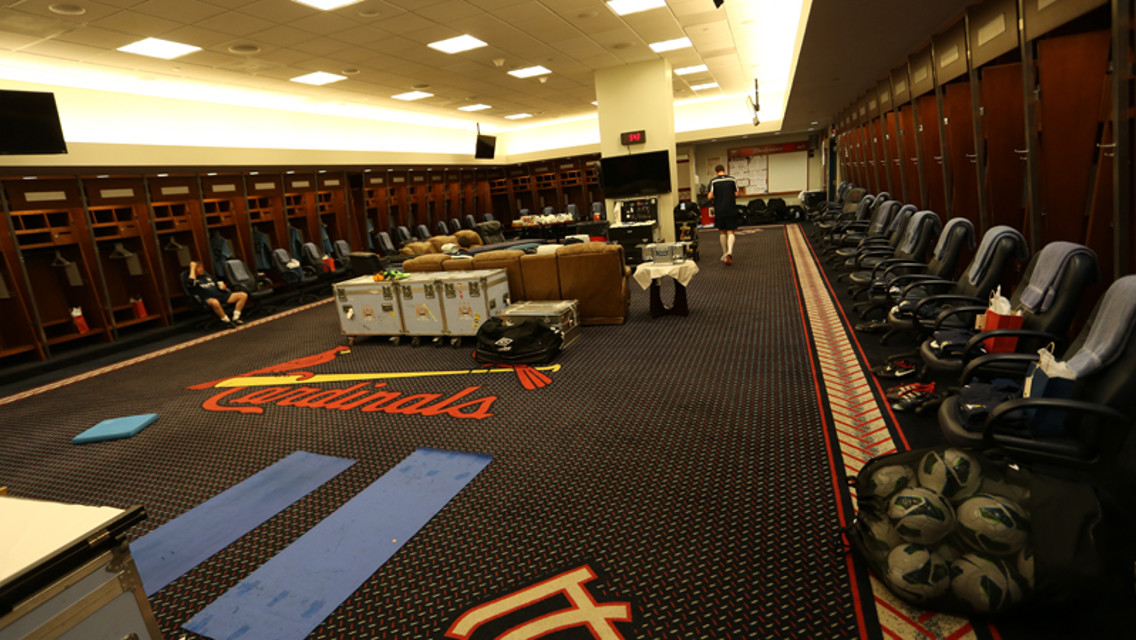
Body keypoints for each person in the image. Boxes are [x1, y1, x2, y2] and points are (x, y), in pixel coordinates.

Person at [188, 260, 247, 327]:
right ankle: (227, 321)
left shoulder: (208, 276)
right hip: (208, 299)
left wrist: (223, 287)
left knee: (243, 295)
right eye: (198, 268)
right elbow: (191, 283)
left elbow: (219, 284)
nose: (202, 269)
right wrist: (192, 268)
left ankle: (235, 318)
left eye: (202, 267)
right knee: (215, 302)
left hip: (220, 295)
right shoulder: (192, 279)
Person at [708, 164, 740, 265]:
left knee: (722, 231)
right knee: (731, 231)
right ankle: (730, 251)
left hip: (719, 209)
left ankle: (724, 253)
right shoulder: (732, 180)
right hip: (731, 208)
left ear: (716, 172)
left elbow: (710, 196)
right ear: (724, 170)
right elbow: (737, 194)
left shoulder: (713, 181)